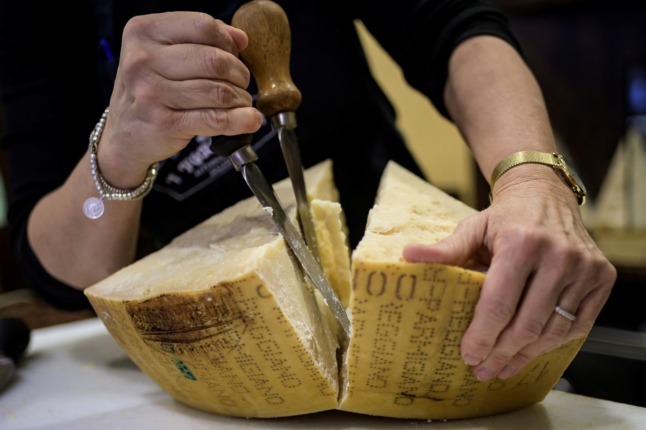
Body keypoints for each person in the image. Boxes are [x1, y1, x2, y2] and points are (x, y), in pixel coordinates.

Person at [0, 0, 615, 383]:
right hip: (225, 351)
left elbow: (453, 28)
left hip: (419, 316)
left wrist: (531, 177)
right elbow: (60, 272)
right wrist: (119, 152)